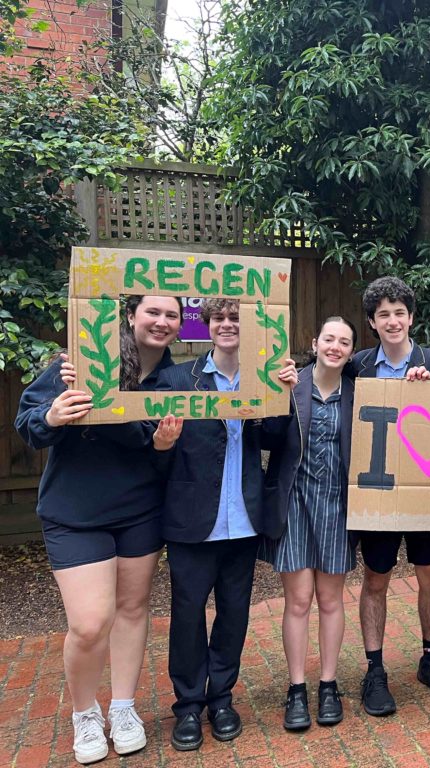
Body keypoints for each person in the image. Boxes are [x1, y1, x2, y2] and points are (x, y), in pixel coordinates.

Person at [15, 295, 184, 764]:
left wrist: (162, 446)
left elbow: (160, 457)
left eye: (172, 315)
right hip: (76, 511)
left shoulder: (175, 382)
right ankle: (85, 713)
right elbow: (28, 423)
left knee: (131, 609)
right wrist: (53, 415)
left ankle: (124, 707)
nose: (162, 321)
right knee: (90, 624)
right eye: (153, 311)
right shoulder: (79, 362)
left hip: (140, 511)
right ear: (131, 315)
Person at [157, 298, 297, 751]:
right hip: (192, 520)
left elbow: (275, 440)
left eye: (236, 318)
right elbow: (158, 448)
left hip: (244, 520)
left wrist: (283, 396)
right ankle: (188, 706)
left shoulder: (263, 379)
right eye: (219, 318)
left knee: (234, 615)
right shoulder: (179, 378)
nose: (227, 325)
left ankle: (221, 699)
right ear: (206, 324)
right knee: (187, 615)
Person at [348, 277, 430, 716]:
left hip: (425, 492)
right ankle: (374, 669)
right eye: (383, 315)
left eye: (399, 313)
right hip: (377, 493)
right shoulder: (357, 367)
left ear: (412, 318)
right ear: (372, 322)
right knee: (376, 579)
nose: (392, 321)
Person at [260, 316, 360, 730]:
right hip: (295, 504)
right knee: (299, 601)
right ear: (315, 343)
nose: (335, 347)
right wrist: (278, 394)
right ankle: (297, 688)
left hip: (338, 505)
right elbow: (265, 436)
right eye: (329, 339)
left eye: (344, 342)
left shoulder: (358, 393)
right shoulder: (291, 384)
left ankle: (328, 685)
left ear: (351, 352)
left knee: (331, 600)